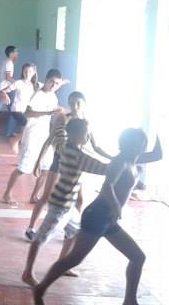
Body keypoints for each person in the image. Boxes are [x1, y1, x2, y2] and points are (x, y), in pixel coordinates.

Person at [33, 131, 163, 305]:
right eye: (136, 143)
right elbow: (107, 186)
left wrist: (161, 130)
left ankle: (130, 300)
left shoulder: (135, 159)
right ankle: (40, 288)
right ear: (126, 144)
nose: (140, 147)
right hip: (98, 215)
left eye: (142, 143)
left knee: (137, 257)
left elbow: (157, 155)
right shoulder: (120, 161)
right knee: (74, 258)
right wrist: (116, 206)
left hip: (108, 219)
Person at [20, 118, 110, 286]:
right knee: (40, 238)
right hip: (61, 204)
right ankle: (27, 273)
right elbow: (104, 169)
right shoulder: (78, 156)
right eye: (86, 134)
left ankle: (61, 265)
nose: (88, 137)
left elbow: (60, 136)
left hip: (69, 203)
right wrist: (122, 160)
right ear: (76, 135)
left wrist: (60, 125)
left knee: (73, 232)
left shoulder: (64, 146)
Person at [24, 91, 112, 240]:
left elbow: (96, 146)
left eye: (78, 103)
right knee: (46, 195)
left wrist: (113, 158)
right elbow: (49, 140)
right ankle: (31, 227)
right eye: (71, 103)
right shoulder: (63, 119)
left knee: (79, 199)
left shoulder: (86, 123)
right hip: (59, 161)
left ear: (84, 104)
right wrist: (38, 161)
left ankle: (69, 232)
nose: (74, 106)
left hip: (76, 165)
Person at [2, 69, 67, 206]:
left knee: (46, 168)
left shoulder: (53, 96)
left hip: (45, 136)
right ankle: (7, 193)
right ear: (46, 79)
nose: (53, 85)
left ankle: (34, 195)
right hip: (32, 135)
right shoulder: (37, 94)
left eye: (57, 84)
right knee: (23, 168)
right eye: (52, 82)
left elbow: (54, 110)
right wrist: (49, 112)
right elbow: (28, 112)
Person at [6, 63, 38, 154]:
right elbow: (5, 90)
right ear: (22, 72)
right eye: (25, 71)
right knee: (28, 124)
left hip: (26, 111)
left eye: (30, 71)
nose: (27, 73)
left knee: (26, 129)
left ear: (34, 73)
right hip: (16, 110)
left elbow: (47, 87)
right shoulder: (18, 83)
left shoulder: (35, 85)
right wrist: (5, 95)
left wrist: (61, 83)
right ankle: (14, 140)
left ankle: (22, 146)